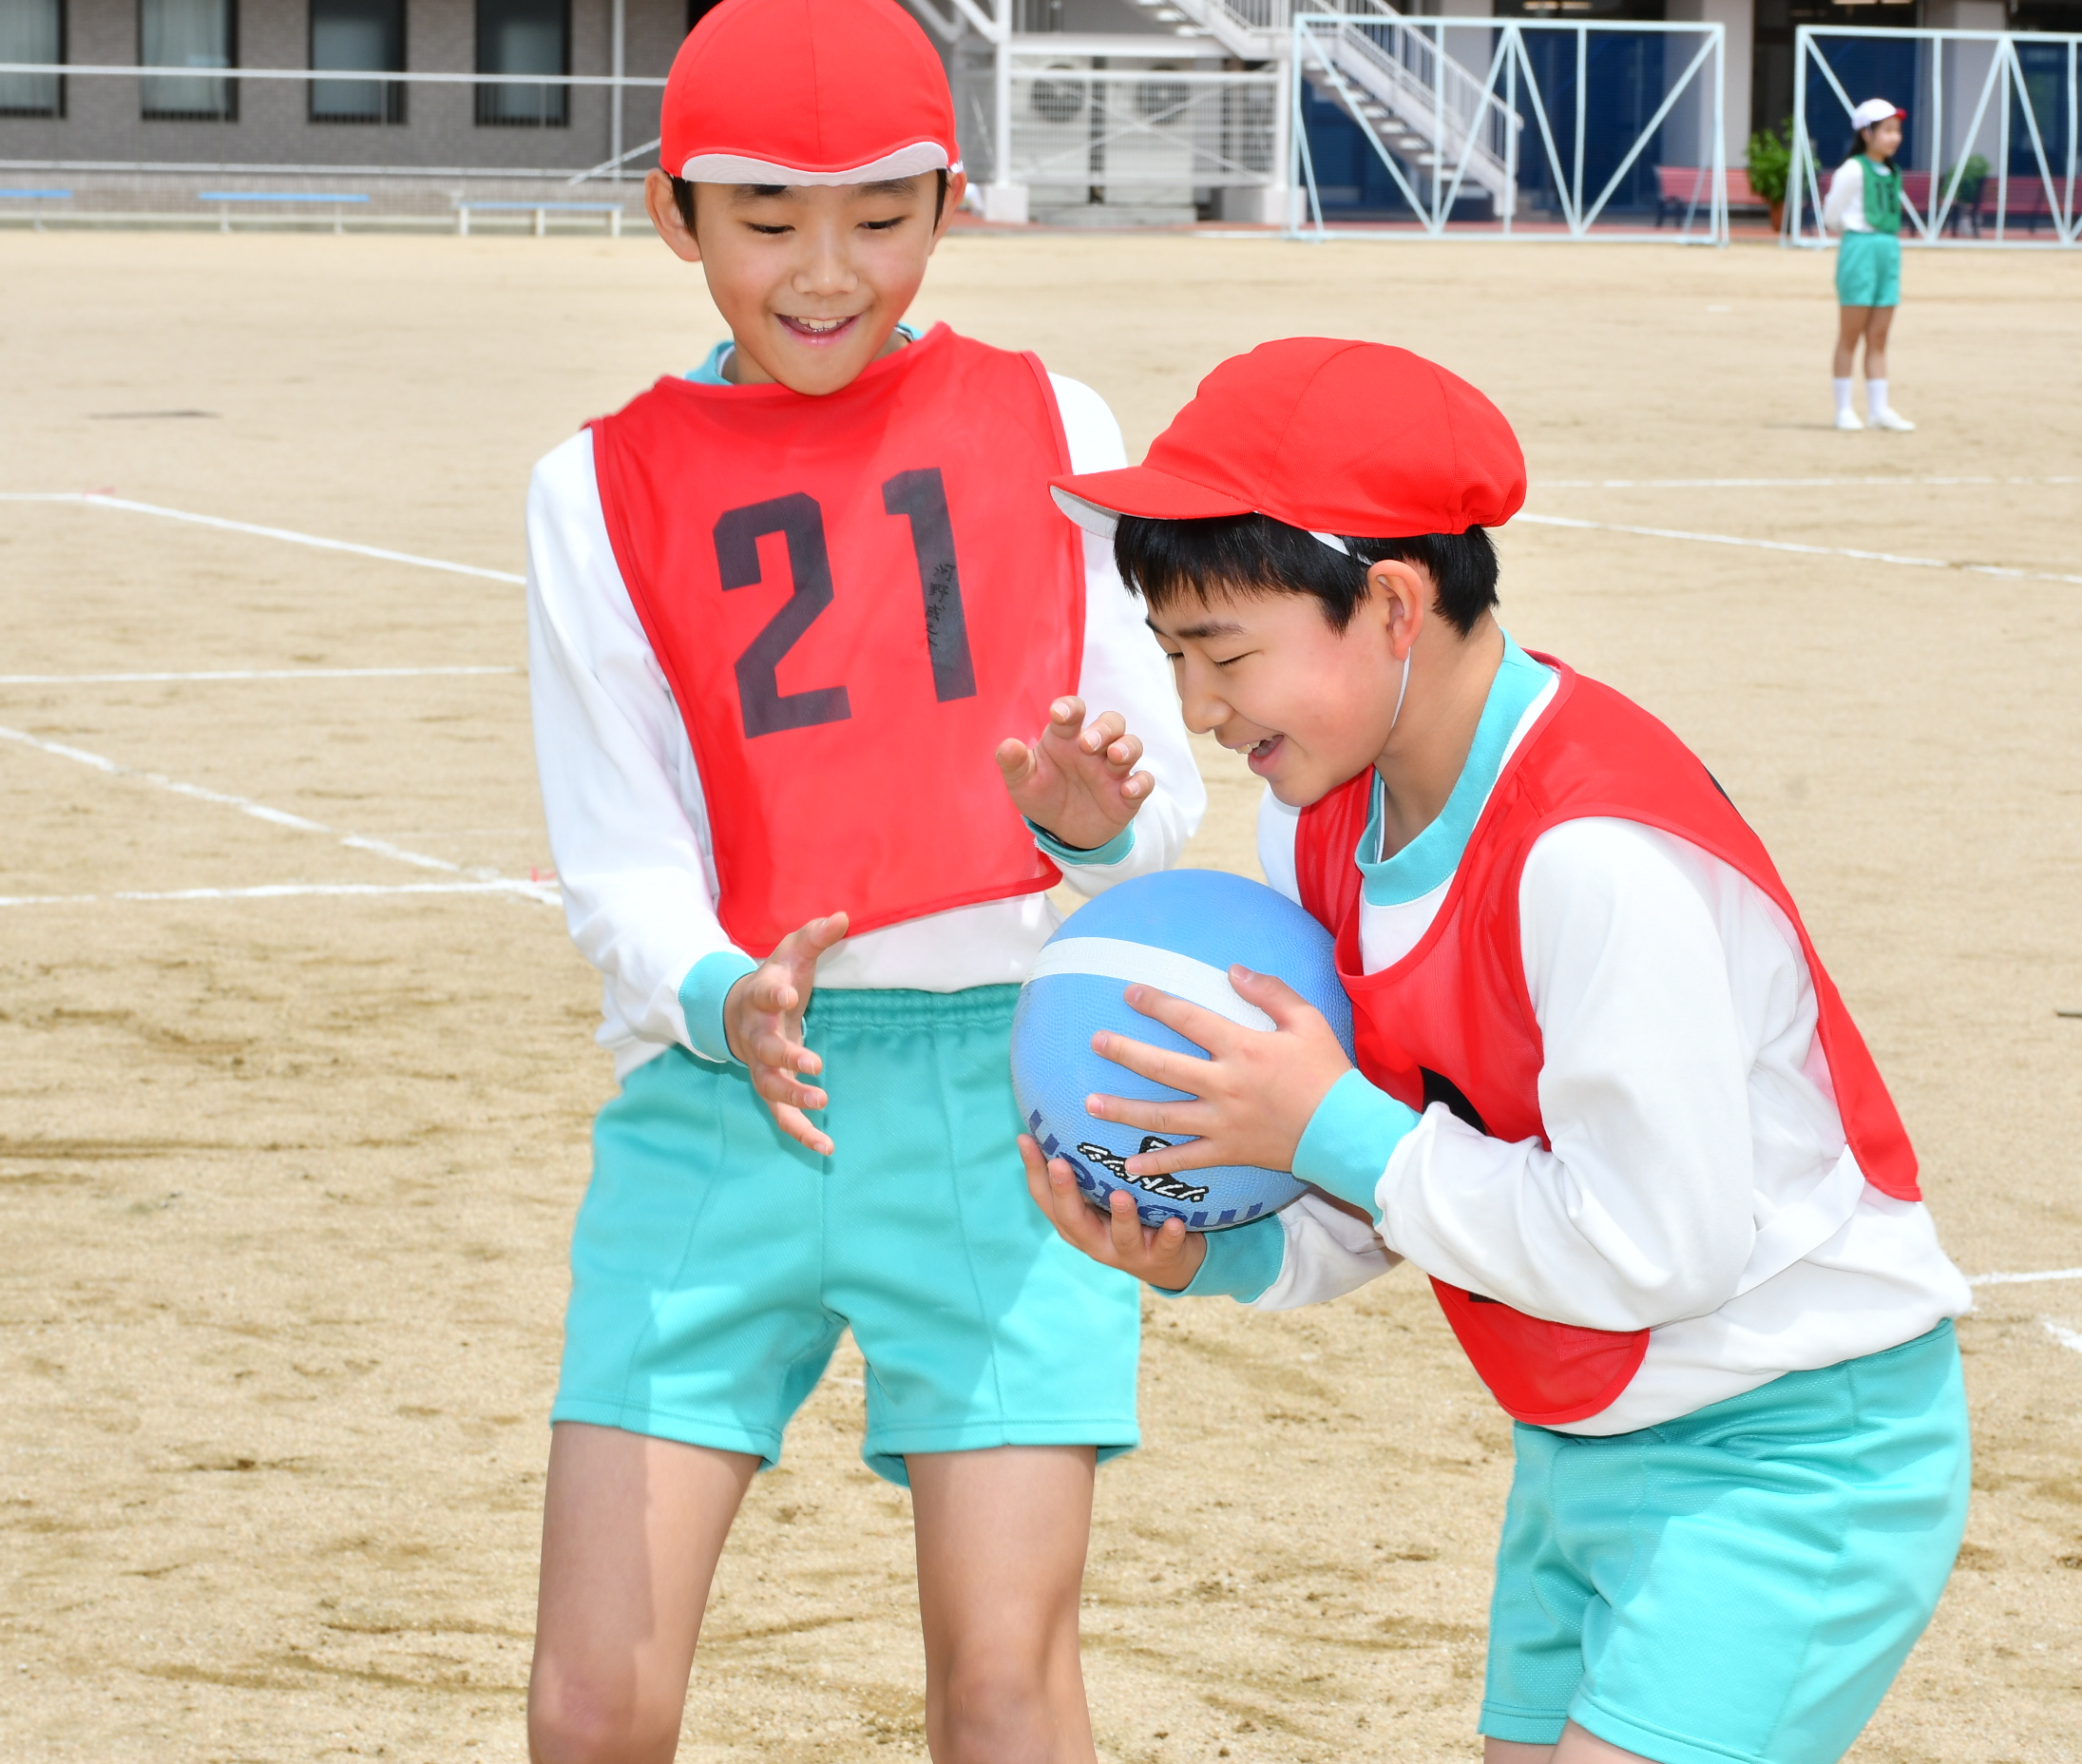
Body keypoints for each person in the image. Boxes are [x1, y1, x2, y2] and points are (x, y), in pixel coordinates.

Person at [1022, 337, 1972, 1764]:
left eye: (1225, 654)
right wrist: (1211, 1248)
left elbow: (1654, 1247)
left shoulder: (1593, 855)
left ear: (1394, 604)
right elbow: (1397, 1183)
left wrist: (1329, 1125)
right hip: (1581, 1439)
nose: (1201, 709)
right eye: (1174, 660)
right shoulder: (1321, 821)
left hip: (1790, 1443)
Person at [518, 0, 1204, 1757]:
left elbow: (1160, 805)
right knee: (592, 1704)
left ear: (950, 202)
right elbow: (617, 852)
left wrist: (1088, 822)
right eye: (766, 220)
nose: (828, 273)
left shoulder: (1050, 419)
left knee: (1003, 1681)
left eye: (882, 218)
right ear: (673, 213)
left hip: (1002, 1108)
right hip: (720, 1100)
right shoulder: (595, 485)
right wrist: (720, 994)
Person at [1825, 98, 1916, 432]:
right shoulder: (1852, 169)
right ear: (1867, 133)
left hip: (1887, 250)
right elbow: (1831, 214)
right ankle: (1844, 410)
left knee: (1878, 336)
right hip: (1860, 248)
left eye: (1897, 131)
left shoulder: (1893, 172)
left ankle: (1879, 410)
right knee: (1850, 335)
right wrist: (1855, 234)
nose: (1895, 138)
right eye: (1887, 130)